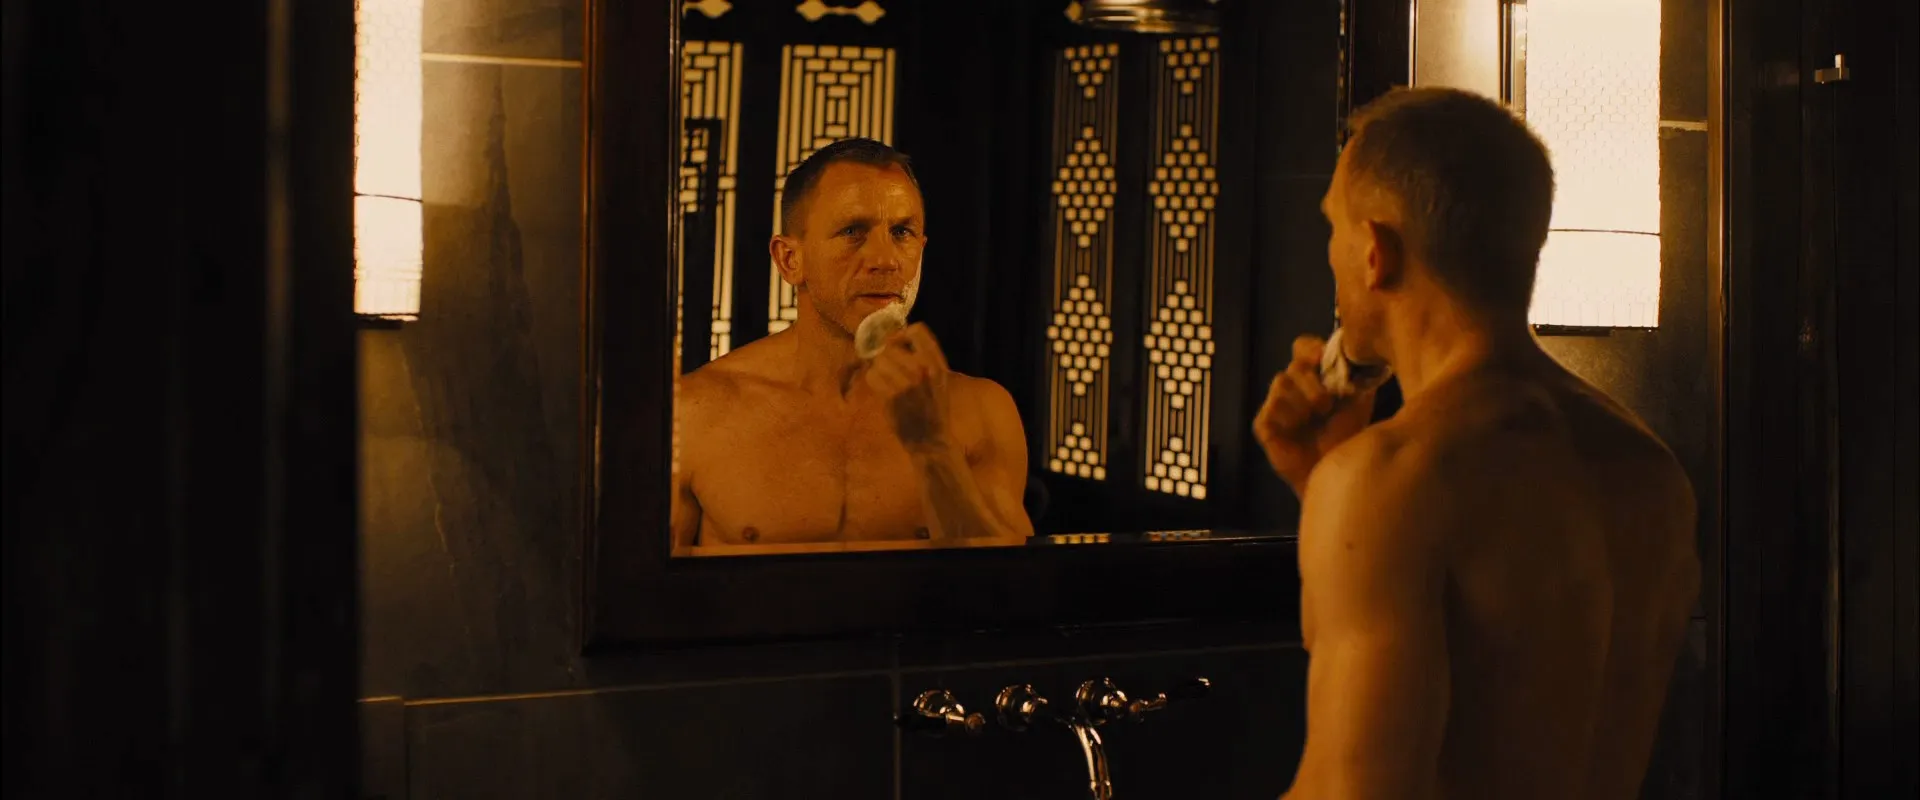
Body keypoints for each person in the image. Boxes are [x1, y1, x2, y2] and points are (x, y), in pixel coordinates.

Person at [1260, 88, 1700, 799]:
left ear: (1375, 252)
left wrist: (1349, 485)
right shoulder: (1649, 468)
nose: (1330, 253)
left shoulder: (1394, 476)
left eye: (1333, 227)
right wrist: (1320, 484)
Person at [672, 138, 1034, 549]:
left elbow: (1010, 584)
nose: (886, 259)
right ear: (790, 260)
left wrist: (933, 449)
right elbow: (644, 585)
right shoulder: (698, 411)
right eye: (852, 232)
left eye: (902, 232)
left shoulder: (981, 410)